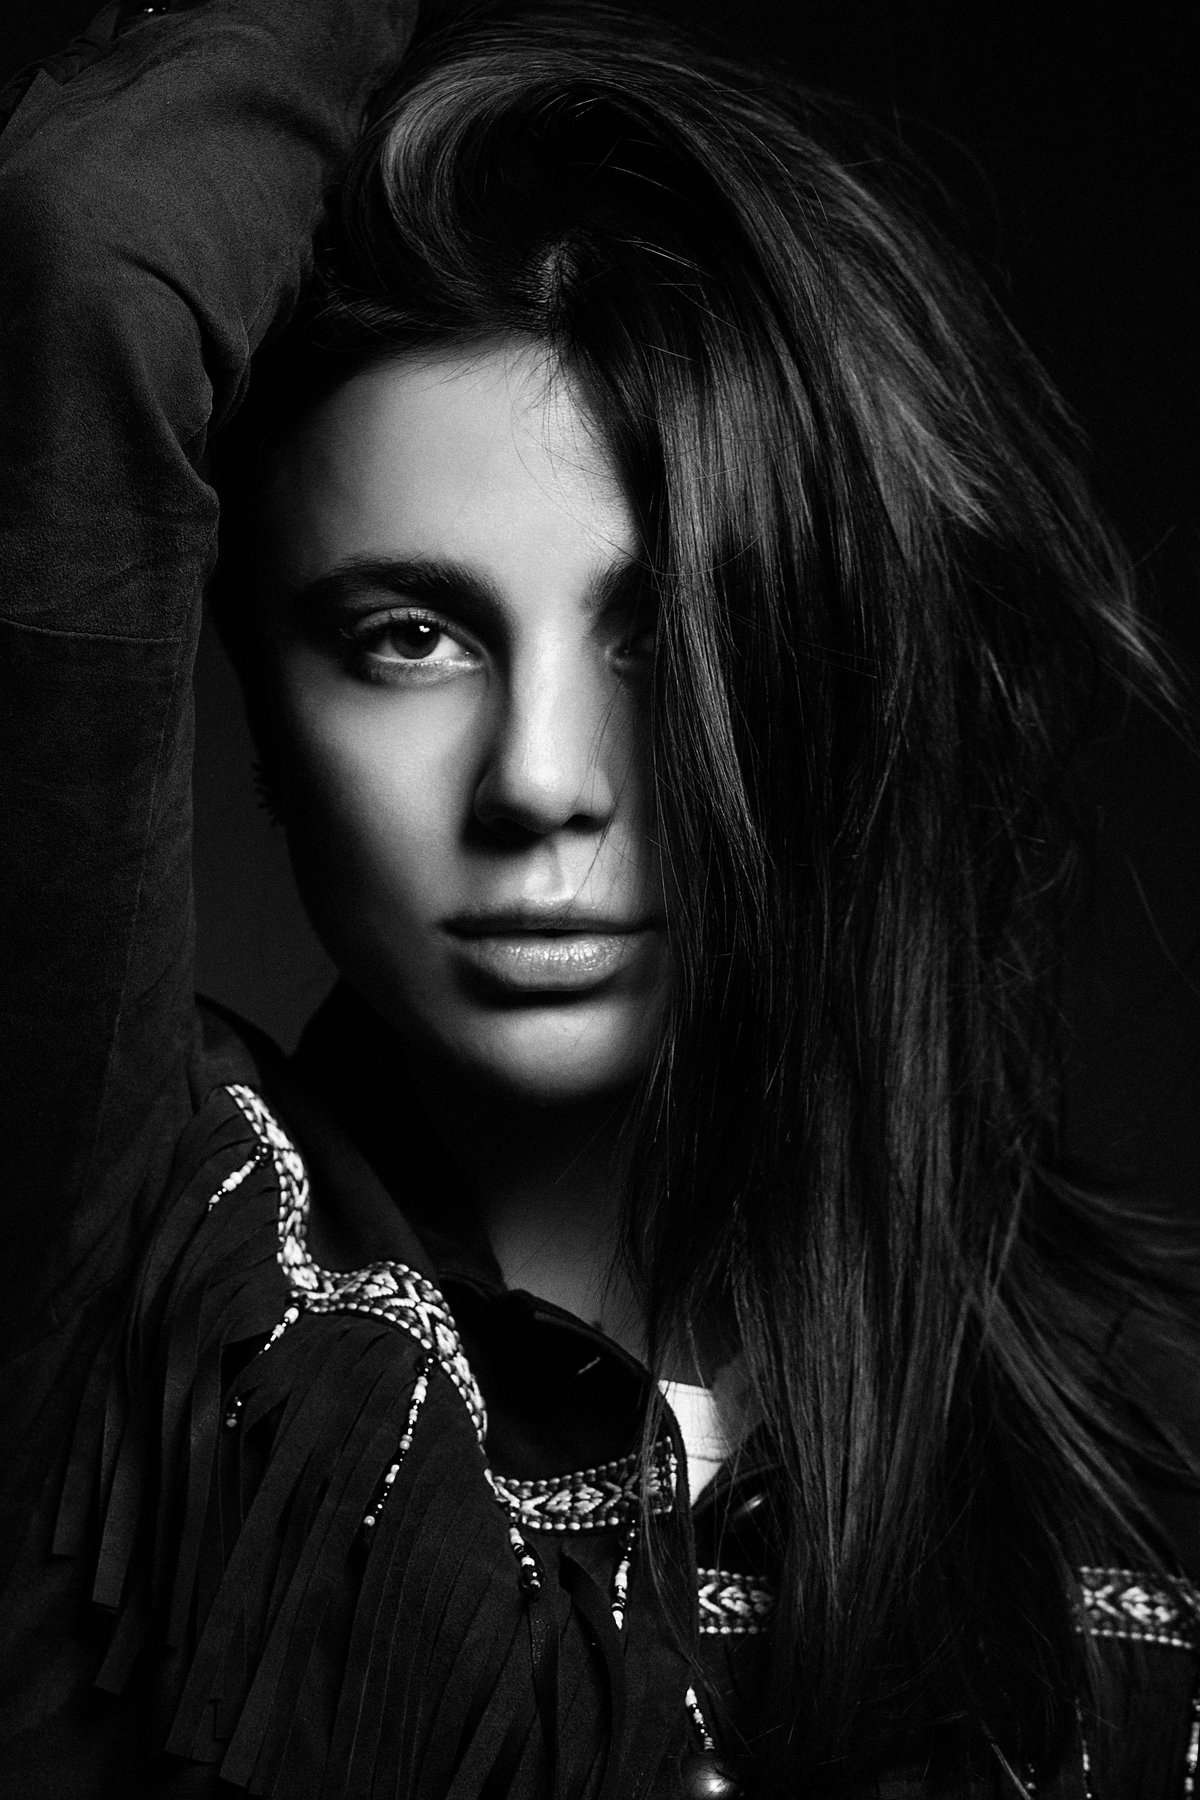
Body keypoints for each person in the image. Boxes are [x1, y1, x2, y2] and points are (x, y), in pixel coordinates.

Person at [0, 1, 1197, 1795]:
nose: (543, 780)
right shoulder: (126, 1274)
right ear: (255, 685)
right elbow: (86, 260)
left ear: (840, 669)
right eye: (410, 636)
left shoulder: (1150, 1443)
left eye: (667, 635)